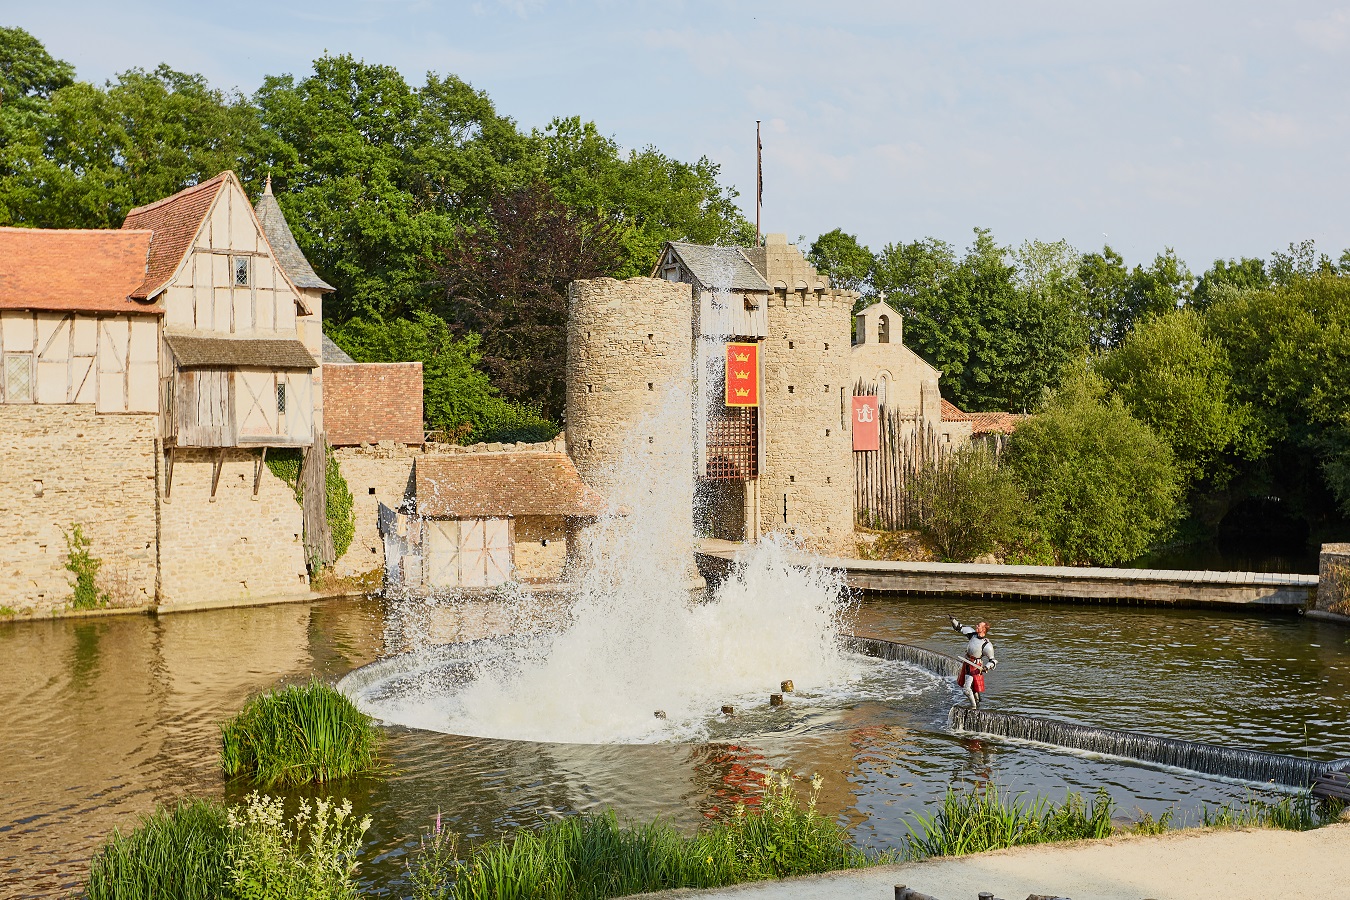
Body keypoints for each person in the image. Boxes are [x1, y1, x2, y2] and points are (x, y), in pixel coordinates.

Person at [949, 615, 997, 708]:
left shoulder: (987, 645)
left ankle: (973, 707)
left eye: (979, 625)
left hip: (975, 666)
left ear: (983, 629)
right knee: (973, 688)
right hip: (967, 663)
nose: (976, 626)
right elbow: (960, 627)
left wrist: (986, 667)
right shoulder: (972, 634)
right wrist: (953, 620)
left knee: (967, 689)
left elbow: (993, 660)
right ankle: (978, 702)